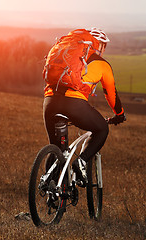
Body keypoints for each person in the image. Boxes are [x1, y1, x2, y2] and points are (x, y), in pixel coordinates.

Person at [43, 28, 126, 186]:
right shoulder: (102, 64)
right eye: (103, 46)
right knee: (101, 129)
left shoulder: (66, 55)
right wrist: (119, 114)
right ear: (99, 45)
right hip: (74, 104)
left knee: (55, 147)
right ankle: (80, 162)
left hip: (50, 102)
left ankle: (50, 188)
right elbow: (111, 94)